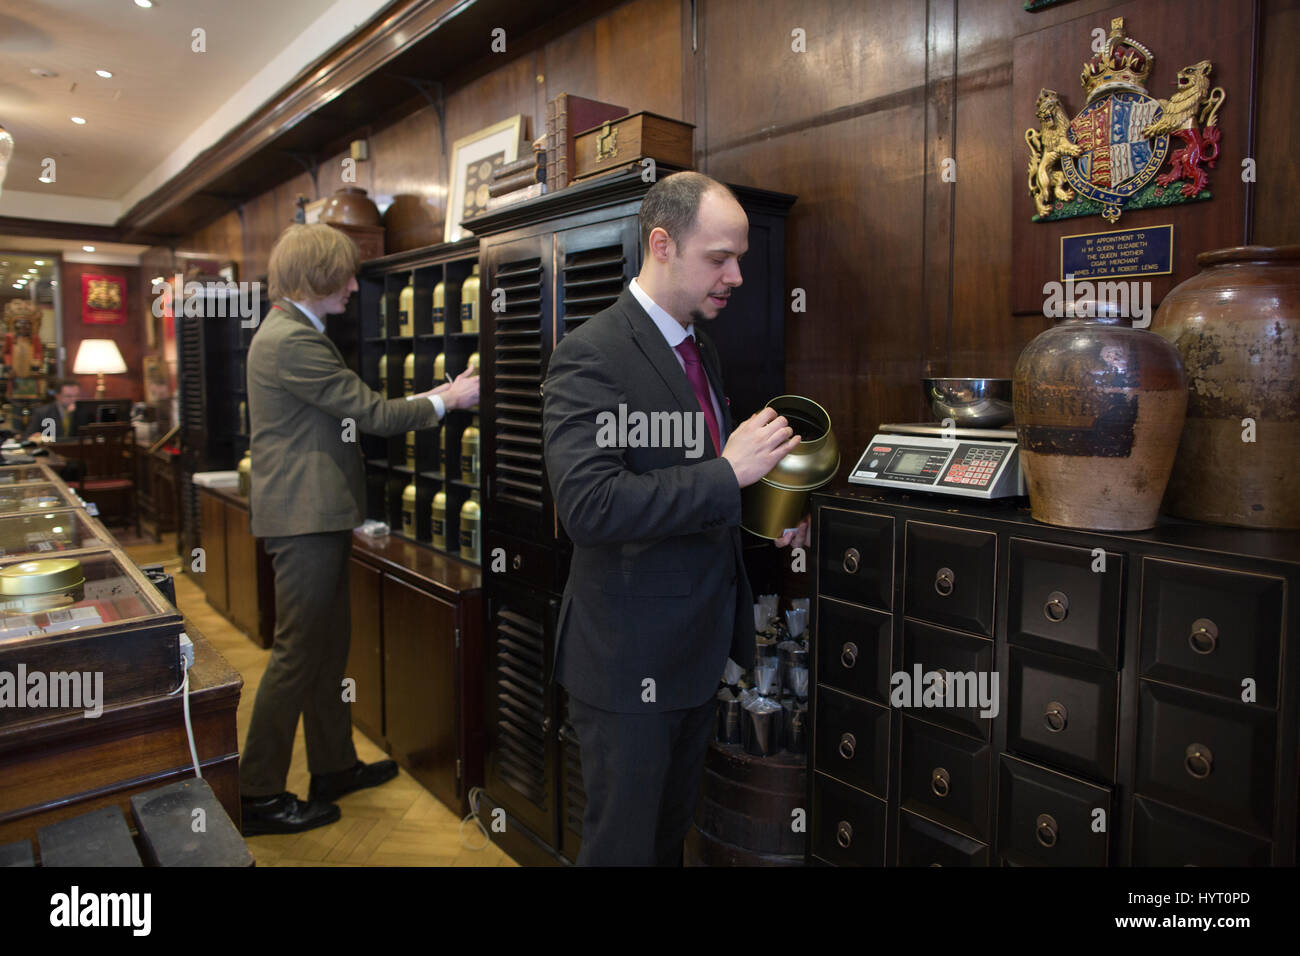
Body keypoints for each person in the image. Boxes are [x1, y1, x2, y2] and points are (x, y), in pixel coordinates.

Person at [542, 171, 810, 865]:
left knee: (665, 845)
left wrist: (766, 509)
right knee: (623, 851)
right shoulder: (590, 356)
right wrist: (728, 471)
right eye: (719, 257)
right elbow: (590, 507)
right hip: (626, 660)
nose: (738, 275)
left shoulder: (700, 348)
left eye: (740, 257)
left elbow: (693, 486)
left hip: (695, 655)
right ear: (661, 244)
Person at [240, 223, 479, 835]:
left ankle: (333, 767)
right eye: (345, 274)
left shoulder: (293, 332)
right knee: (298, 653)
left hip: (315, 517)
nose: (352, 286)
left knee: (325, 650)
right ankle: (258, 793)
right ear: (316, 275)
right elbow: (373, 414)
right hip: (304, 521)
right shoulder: (292, 340)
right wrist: (449, 399)